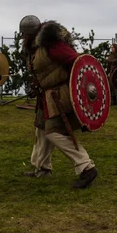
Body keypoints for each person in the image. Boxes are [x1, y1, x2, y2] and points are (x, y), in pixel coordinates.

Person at [19, 15, 98, 189]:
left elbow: (76, 62)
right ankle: (42, 167)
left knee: (54, 132)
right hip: (45, 95)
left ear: (30, 33)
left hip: (59, 95)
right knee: (41, 128)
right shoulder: (34, 48)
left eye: (24, 34)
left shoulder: (51, 44)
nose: (23, 37)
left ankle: (86, 166)